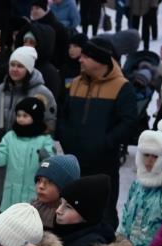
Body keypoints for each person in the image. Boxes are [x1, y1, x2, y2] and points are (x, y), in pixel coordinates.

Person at [58, 38, 137, 226]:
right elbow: (63, 115)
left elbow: (129, 123)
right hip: (74, 162)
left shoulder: (122, 86)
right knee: (72, 210)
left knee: (103, 212)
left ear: (100, 60)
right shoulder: (76, 82)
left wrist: (105, 143)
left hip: (104, 164)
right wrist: (66, 138)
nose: (80, 60)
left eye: (86, 56)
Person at [0, 47, 57, 213]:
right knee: (1, 192)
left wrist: (42, 144)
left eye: (20, 66)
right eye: (12, 64)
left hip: (29, 153)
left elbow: (50, 122)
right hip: (2, 148)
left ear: (29, 69)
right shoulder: (1, 90)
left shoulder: (42, 93)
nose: (14, 69)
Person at [0, 97, 56, 212]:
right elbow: (0, 159)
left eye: (25, 116)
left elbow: (51, 165)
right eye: (18, 115)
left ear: (36, 117)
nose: (20, 119)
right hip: (11, 197)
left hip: (32, 197)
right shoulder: (10, 136)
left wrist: (45, 159)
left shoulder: (44, 139)